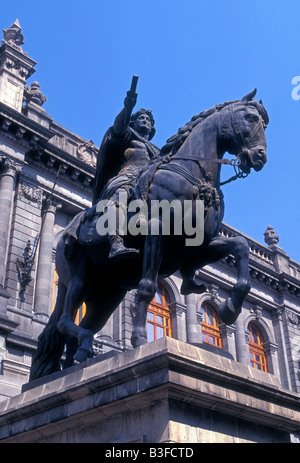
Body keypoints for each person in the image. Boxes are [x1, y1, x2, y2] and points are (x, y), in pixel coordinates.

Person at [85, 84, 160, 261]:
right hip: (127, 179)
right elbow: (118, 128)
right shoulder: (128, 135)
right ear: (133, 122)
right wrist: (128, 108)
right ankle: (116, 242)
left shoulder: (157, 150)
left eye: (148, 120)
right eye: (141, 118)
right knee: (120, 197)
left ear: (152, 128)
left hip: (149, 185)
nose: (145, 121)